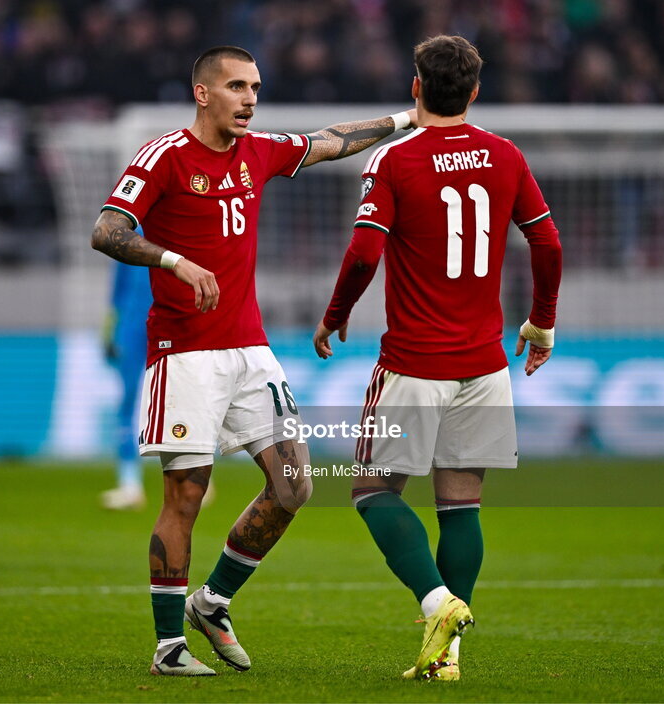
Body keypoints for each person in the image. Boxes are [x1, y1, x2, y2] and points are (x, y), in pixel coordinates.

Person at [90, 45, 418, 677]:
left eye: (256, 89)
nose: (249, 100)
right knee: (186, 496)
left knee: (295, 485)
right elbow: (107, 230)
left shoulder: (260, 152)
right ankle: (167, 649)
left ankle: (212, 602)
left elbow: (330, 142)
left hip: (250, 352)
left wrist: (408, 119)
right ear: (203, 94)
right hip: (184, 353)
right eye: (237, 87)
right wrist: (173, 261)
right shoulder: (163, 156)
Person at [313, 35, 562, 681]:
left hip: (415, 361)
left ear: (416, 86)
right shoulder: (505, 155)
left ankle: (436, 605)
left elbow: (366, 253)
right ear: (475, 91)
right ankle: (448, 658)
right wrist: (542, 322)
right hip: (484, 363)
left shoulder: (396, 161)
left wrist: (335, 316)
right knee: (461, 505)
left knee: (371, 491)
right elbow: (548, 242)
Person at [99, 258, 153, 510]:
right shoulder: (132, 232)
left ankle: (197, 478)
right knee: (129, 403)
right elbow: (118, 291)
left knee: (178, 401)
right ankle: (130, 484)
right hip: (133, 327)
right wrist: (109, 331)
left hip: (163, 322)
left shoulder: (172, 226)